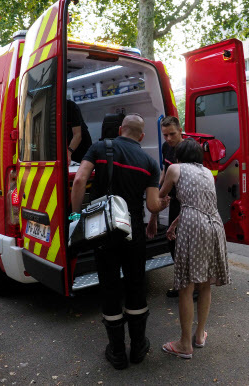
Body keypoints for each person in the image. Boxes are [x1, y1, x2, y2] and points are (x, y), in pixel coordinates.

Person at [71, 114, 167, 370]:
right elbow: (151, 204)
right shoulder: (149, 162)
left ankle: (116, 352)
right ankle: (138, 348)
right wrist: (162, 204)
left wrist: (75, 215)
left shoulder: (100, 147)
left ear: (121, 129)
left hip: (104, 230)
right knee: (136, 284)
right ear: (142, 136)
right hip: (133, 230)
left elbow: (80, 179)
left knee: (110, 286)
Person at [159, 138, 231, 359]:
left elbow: (161, 195)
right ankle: (199, 336)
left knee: (186, 286)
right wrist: (174, 224)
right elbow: (199, 205)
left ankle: (184, 344)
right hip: (214, 226)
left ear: (179, 155)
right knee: (205, 282)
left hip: (193, 227)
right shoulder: (207, 172)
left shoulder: (174, 168)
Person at [146, 116, 184, 298]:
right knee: (173, 244)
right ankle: (181, 283)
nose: (168, 139)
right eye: (165, 135)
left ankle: (193, 287)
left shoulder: (188, 149)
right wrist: (158, 192)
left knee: (185, 245)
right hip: (174, 200)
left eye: (172, 134)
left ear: (180, 130)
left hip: (187, 202)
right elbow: (164, 173)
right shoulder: (166, 147)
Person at [66, 99, 92, 164]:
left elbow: (77, 135)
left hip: (81, 147)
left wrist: (68, 153)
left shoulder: (70, 106)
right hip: (69, 148)